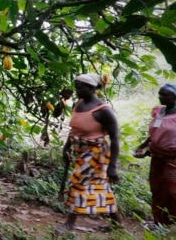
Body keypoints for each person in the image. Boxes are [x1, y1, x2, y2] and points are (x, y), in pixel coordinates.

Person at [56, 73, 122, 233]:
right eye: (76, 87)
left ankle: (70, 223)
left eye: (80, 87)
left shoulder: (104, 111)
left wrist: (112, 166)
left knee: (78, 182)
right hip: (81, 152)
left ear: (92, 88)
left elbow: (115, 137)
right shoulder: (78, 105)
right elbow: (75, 129)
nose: (77, 90)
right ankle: (117, 223)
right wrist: (67, 147)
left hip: (96, 154)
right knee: (102, 187)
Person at [134, 83, 176, 228]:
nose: (161, 97)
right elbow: (154, 134)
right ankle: (160, 222)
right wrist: (143, 147)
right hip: (158, 157)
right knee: (157, 190)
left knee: (173, 192)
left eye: (165, 94)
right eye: (160, 94)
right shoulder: (159, 112)